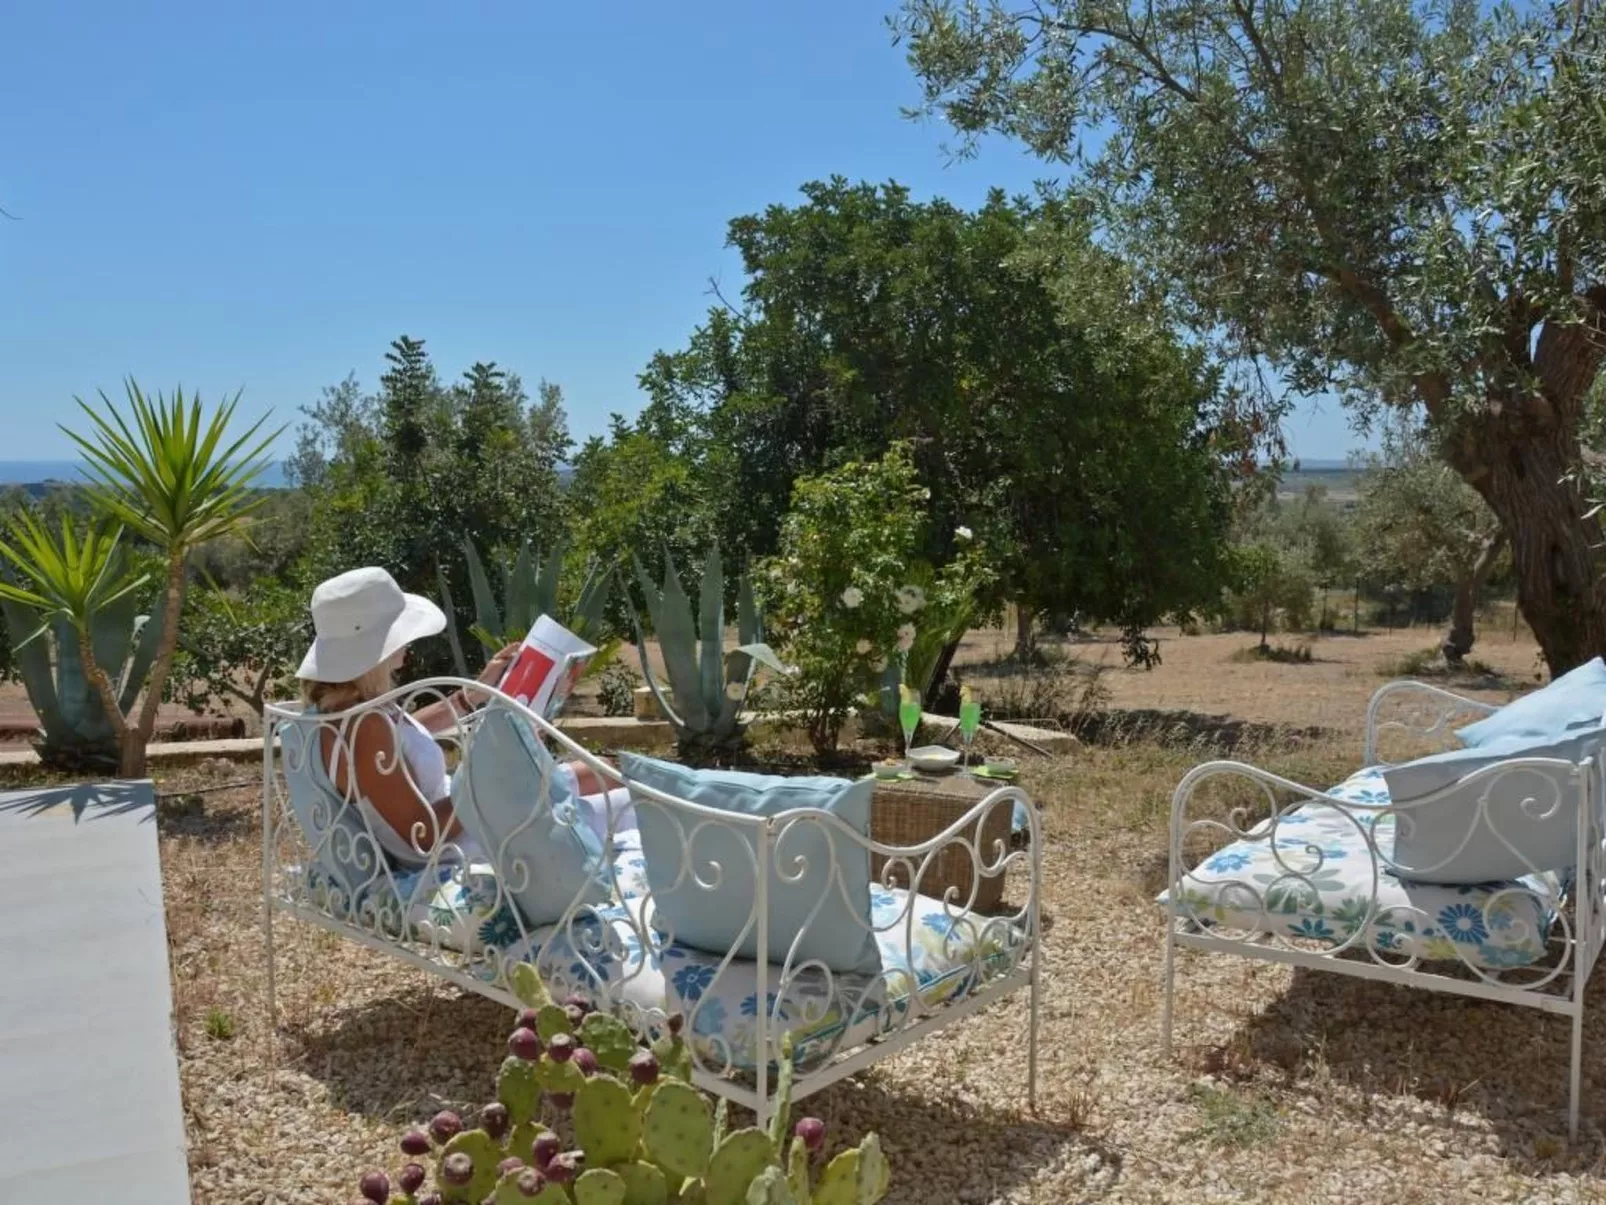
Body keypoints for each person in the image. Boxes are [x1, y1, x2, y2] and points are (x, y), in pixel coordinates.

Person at [296, 566, 612, 864]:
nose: (408, 642)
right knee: (622, 800)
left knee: (604, 774)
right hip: (462, 845)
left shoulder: (351, 709)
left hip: (467, 819)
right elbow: (425, 836)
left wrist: (472, 694)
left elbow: (405, 737)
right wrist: (492, 771)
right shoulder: (363, 728)